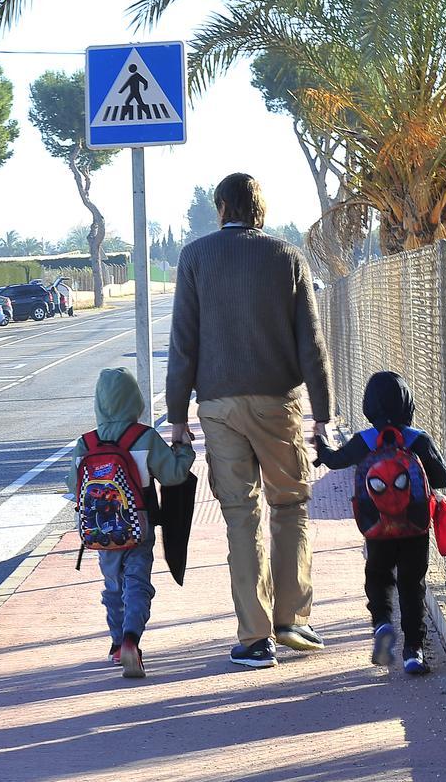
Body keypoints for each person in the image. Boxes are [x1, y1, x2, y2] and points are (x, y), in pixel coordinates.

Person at [165, 172, 332, 669]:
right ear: (260, 208)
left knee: (241, 515)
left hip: (218, 407)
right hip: (278, 403)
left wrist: (177, 417)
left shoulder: (195, 257)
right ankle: (293, 620)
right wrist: (322, 414)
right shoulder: (287, 256)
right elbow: (312, 343)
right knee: (290, 505)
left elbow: (183, 343)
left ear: (221, 208)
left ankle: (255, 639)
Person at [313, 371, 446, 675]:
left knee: (378, 576)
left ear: (368, 407)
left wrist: (321, 445)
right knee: (411, 585)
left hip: (377, 528)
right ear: (408, 405)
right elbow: (442, 478)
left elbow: (335, 461)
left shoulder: (365, 440)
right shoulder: (418, 439)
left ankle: (382, 623)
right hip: (415, 527)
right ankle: (413, 651)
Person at [69, 367, 196, 678]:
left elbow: (73, 485)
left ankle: (116, 644)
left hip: (100, 530)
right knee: (137, 584)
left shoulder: (86, 443)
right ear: (134, 400)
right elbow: (173, 475)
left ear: (99, 403)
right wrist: (183, 450)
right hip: (139, 527)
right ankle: (131, 639)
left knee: (113, 586)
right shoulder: (144, 437)